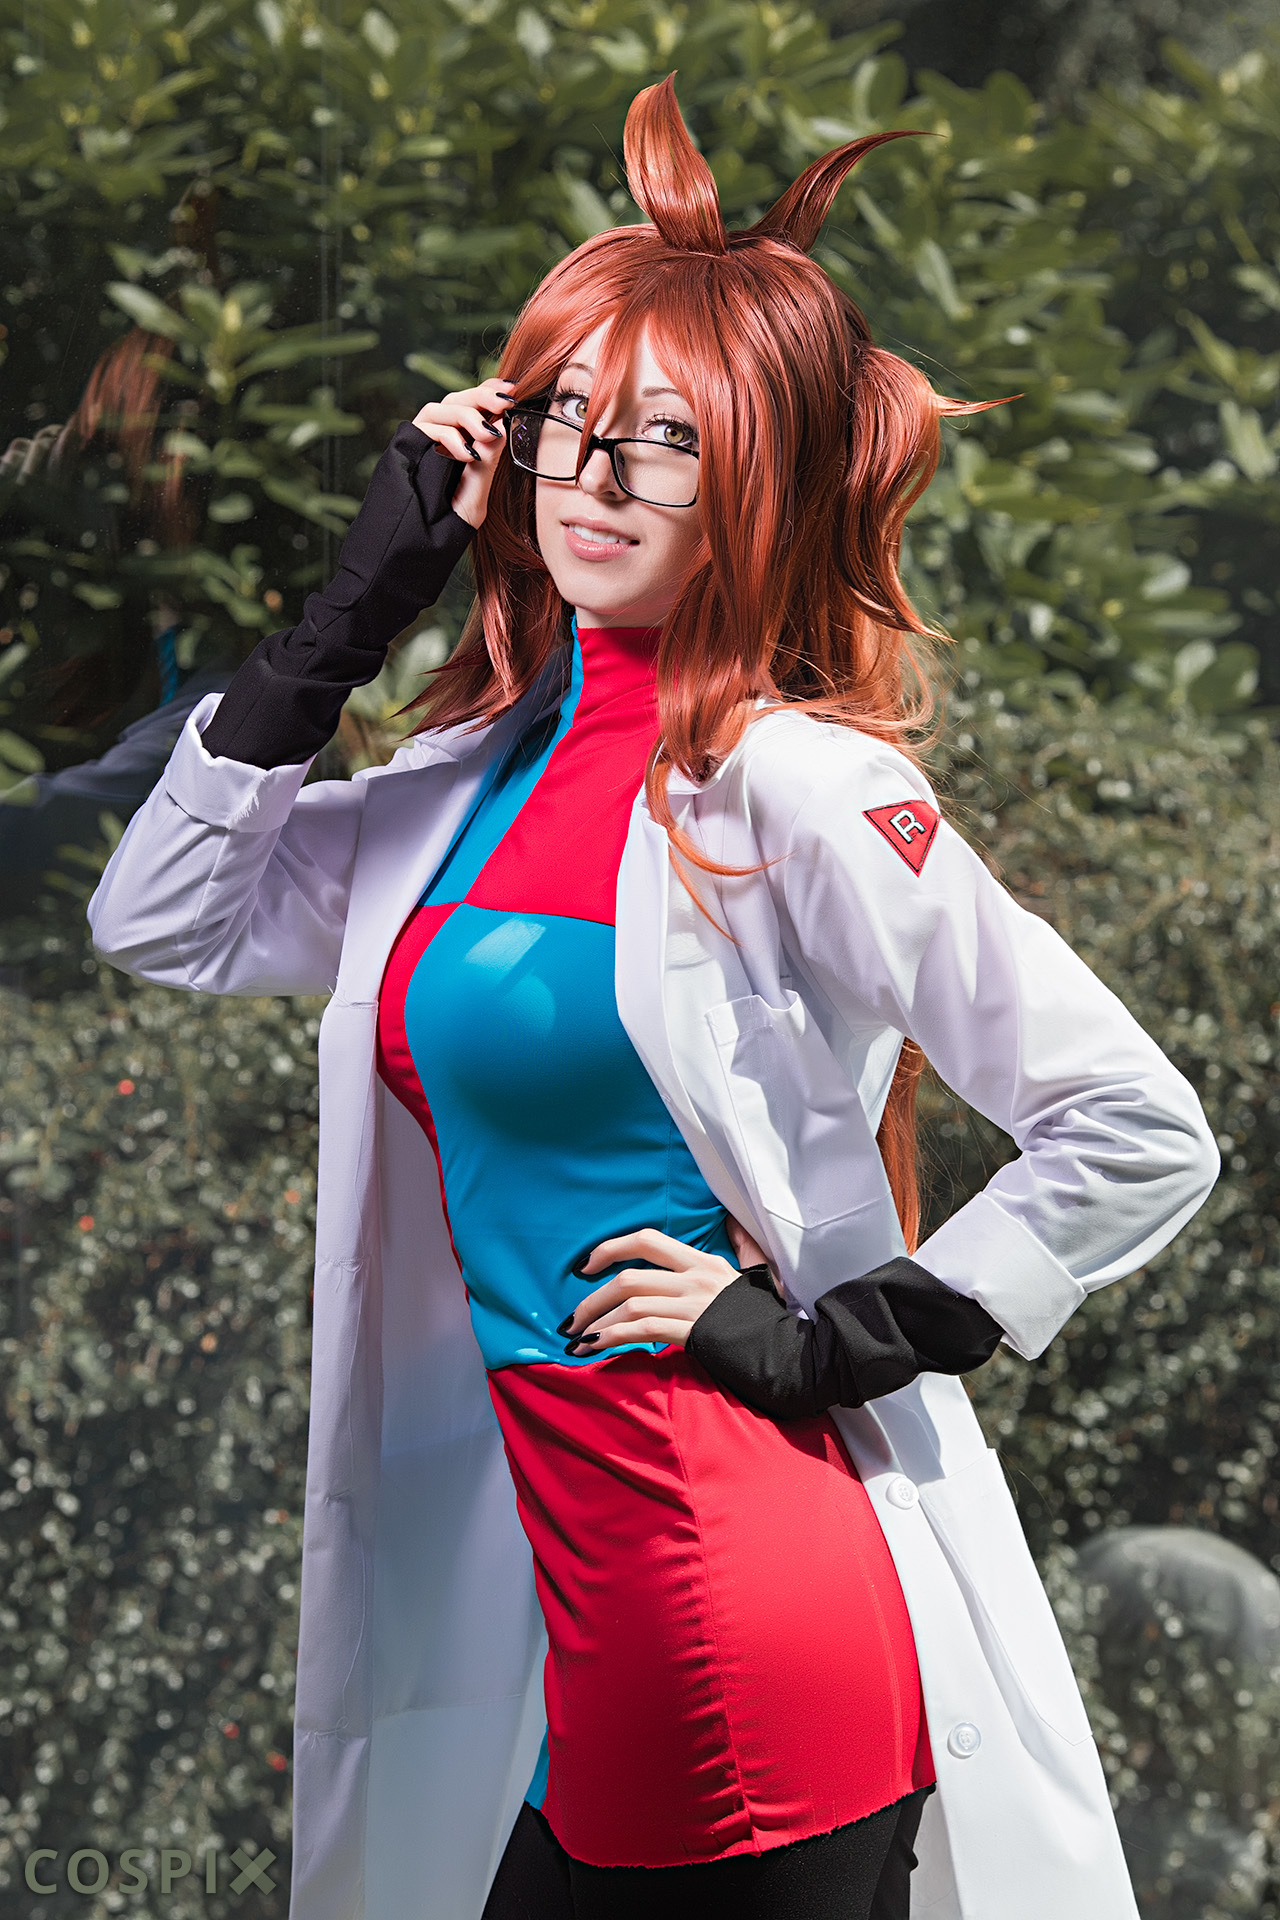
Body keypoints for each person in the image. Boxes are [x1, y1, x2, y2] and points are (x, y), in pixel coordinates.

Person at [87, 79, 1218, 1920]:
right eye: (571, 421)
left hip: (737, 1611)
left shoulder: (795, 789)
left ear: (760, 483)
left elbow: (1139, 1128)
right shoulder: (464, 790)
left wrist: (828, 1342)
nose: (600, 477)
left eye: (670, 441)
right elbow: (162, 916)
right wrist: (350, 614)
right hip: (569, 1609)